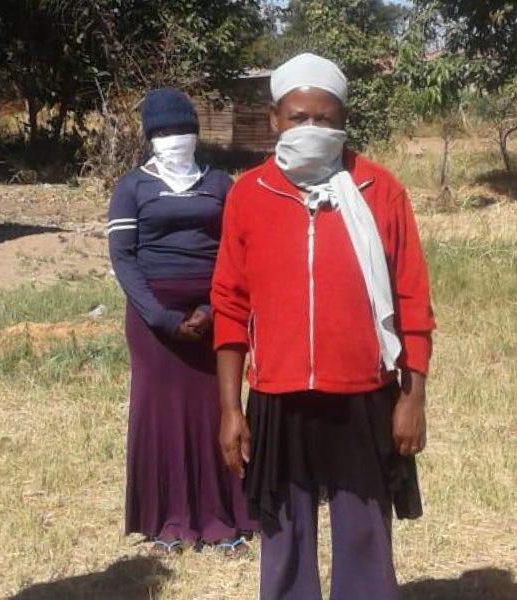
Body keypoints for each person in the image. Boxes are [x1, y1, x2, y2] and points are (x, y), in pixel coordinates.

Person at [211, 53, 435, 599]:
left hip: (362, 392)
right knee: (284, 531)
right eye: (297, 117)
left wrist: (412, 396)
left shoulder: (378, 190)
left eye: (324, 117)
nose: (311, 128)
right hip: (278, 393)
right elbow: (229, 305)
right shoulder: (249, 194)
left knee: (364, 533)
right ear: (273, 119)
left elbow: (412, 300)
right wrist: (229, 409)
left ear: (343, 119)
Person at [108, 88, 254, 556]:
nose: (175, 139)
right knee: (160, 416)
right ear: (151, 137)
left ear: (196, 133)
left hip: (215, 317)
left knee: (215, 411)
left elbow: (235, 253)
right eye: (165, 132)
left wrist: (212, 312)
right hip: (154, 328)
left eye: (182, 130)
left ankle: (221, 516)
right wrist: (164, 319)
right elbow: (123, 259)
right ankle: (166, 520)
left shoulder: (221, 184)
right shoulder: (132, 187)